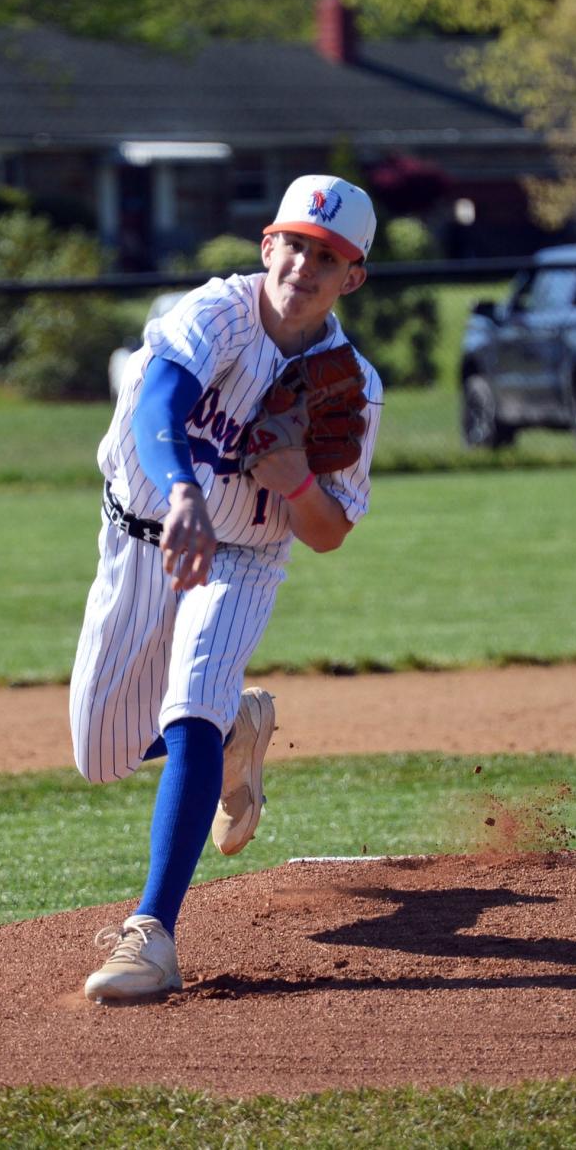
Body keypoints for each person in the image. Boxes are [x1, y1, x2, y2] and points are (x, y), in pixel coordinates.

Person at [70, 174, 384, 1003]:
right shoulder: (215, 312)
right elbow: (160, 404)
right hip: (141, 536)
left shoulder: (352, 383)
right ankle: (236, 729)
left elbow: (328, 531)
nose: (305, 267)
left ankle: (152, 934)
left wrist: (296, 484)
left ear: (352, 276)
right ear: (267, 246)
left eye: (330, 256)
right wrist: (182, 492)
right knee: (100, 754)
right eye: (295, 245)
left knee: (192, 699)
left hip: (242, 556)